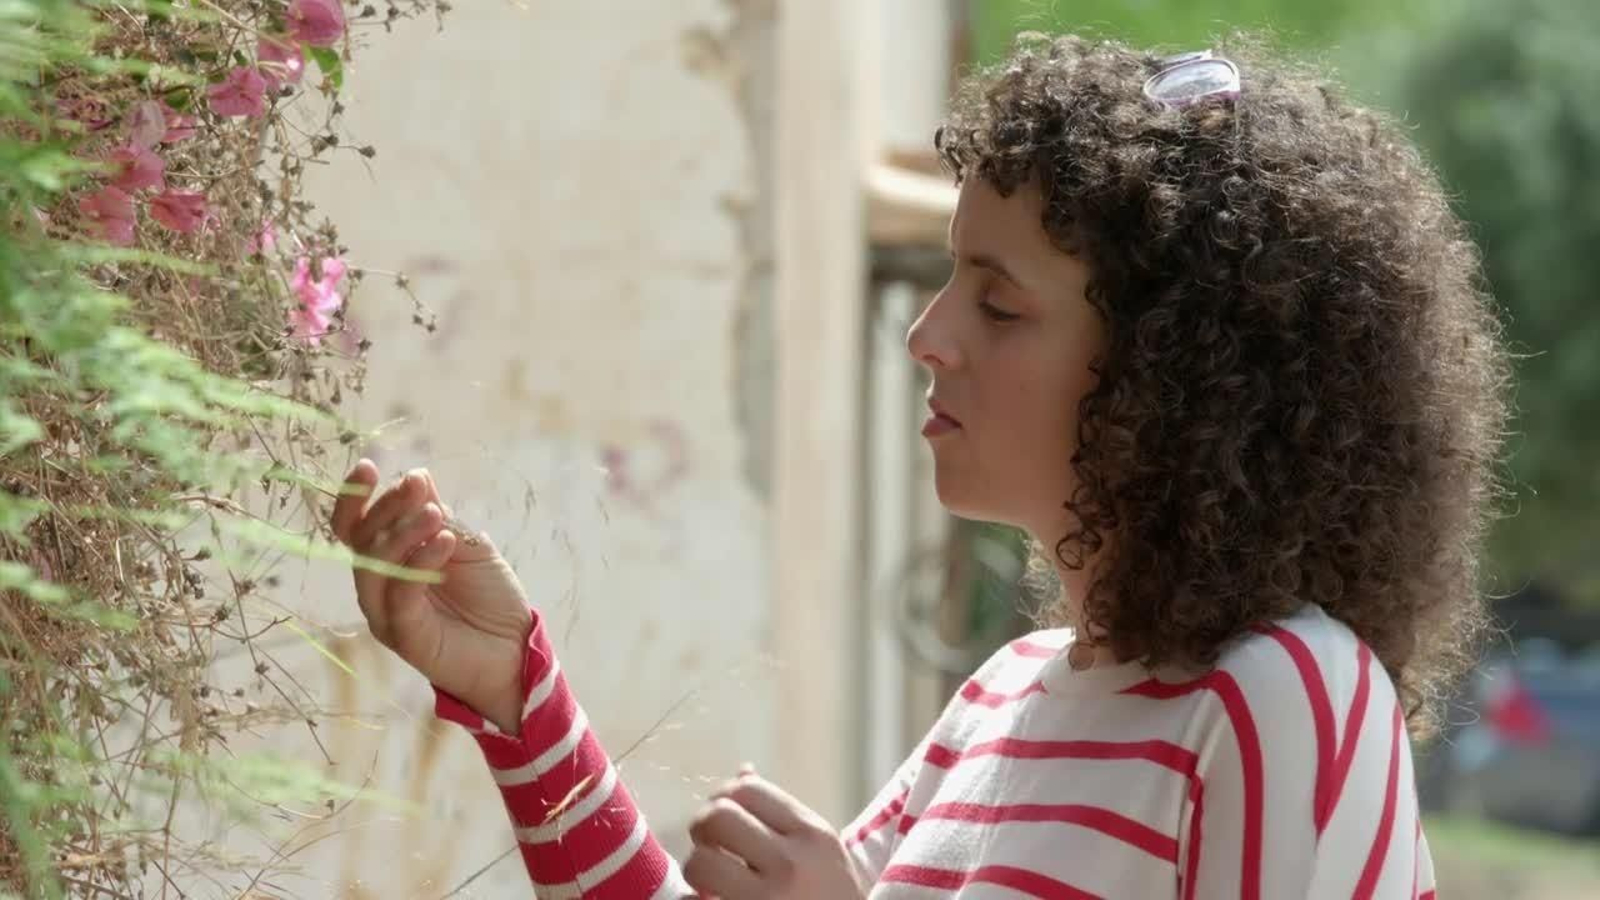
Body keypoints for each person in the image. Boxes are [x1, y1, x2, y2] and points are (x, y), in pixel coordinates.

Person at [331, 34, 1505, 899]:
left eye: (997, 304)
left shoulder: (1286, 695)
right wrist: (517, 707)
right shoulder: (1003, 698)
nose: (926, 334)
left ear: (1175, 378)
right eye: (950, 281)